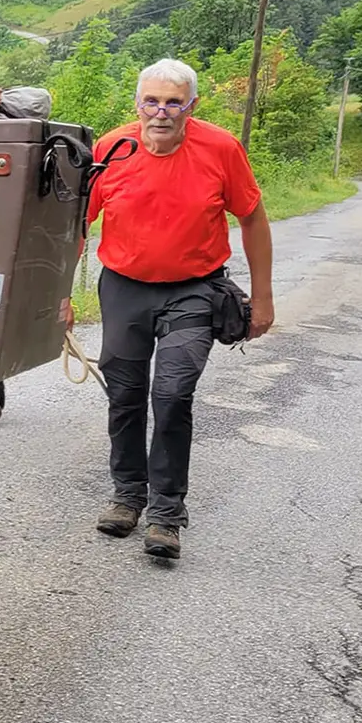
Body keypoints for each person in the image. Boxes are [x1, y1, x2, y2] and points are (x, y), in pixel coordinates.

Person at [76, 58, 274, 561]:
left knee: (171, 394)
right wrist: (58, 292)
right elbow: (77, 223)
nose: (161, 112)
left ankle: (166, 514)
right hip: (123, 286)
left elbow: (252, 218)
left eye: (173, 102)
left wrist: (264, 297)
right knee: (124, 396)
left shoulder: (221, 148)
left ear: (192, 106)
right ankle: (127, 497)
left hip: (195, 289)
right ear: (137, 103)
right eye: (152, 101)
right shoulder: (112, 149)